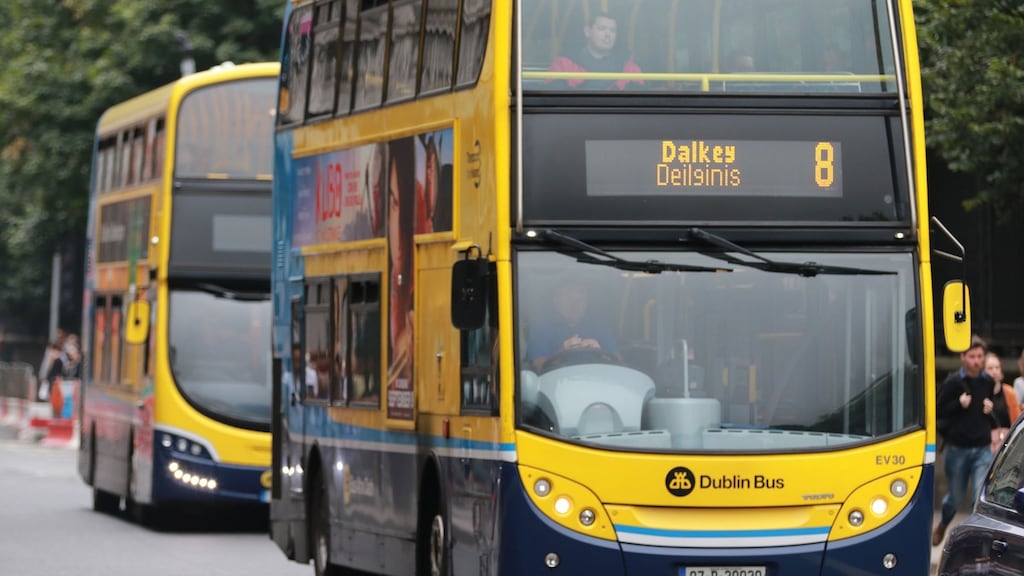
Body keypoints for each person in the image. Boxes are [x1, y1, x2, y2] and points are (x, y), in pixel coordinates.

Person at [932, 338, 996, 547]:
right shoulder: (952, 383)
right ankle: (943, 524)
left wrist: (990, 409)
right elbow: (937, 411)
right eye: (972, 356)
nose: (976, 361)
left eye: (979, 356)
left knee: (979, 497)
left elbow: (989, 411)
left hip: (982, 448)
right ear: (962, 357)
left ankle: (973, 540)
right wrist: (958, 404)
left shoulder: (988, 382)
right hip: (957, 449)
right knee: (955, 498)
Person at [526, 276, 619, 371]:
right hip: (559, 379)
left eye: (580, 300)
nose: (575, 305)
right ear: (556, 300)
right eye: (569, 300)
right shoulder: (541, 328)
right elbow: (539, 366)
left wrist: (599, 352)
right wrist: (562, 352)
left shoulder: (599, 326)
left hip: (597, 377)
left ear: (586, 302)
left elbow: (619, 362)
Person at [548, 12, 643, 90]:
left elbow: (640, 100)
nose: (608, 34)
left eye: (612, 30)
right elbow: (552, 99)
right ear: (587, 32)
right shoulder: (564, 64)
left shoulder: (629, 67)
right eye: (602, 29)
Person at [985, 351, 1020, 454]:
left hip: (1006, 444)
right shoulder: (979, 393)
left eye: (997, 368)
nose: (994, 371)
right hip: (985, 445)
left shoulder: (1009, 393)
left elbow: (1016, 420)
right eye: (990, 368)